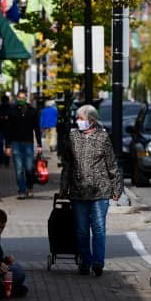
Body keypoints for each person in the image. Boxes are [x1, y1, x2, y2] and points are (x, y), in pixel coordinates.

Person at [59, 104, 123, 276]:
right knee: (81, 229)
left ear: (91, 120)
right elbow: (67, 164)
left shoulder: (102, 137)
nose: (77, 121)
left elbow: (112, 164)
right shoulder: (72, 136)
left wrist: (117, 188)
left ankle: (98, 262)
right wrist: (63, 188)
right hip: (78, 191)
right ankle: (85, 261)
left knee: (99, 228)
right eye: (78, 118)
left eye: (81, 118)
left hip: (100, 191)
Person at [5, 90, 43, 199]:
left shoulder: (32, 111)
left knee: (29, 167)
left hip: (28, 143)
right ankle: (22, 190)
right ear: (17, 98)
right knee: (19, 168)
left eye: (23, 97)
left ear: (26, 98)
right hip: (15, 143)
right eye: (20, 97)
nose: (21, 99)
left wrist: (39, 144)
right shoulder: (12, 111)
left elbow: (37, 128)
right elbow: (8, 129)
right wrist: (7, 146)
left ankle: (29, 187)